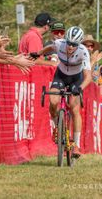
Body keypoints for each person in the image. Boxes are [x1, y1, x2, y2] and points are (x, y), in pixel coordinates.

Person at [36, 26, 92, 157]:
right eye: (69, 43)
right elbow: (49, 48)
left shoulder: (84, 52)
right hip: (60, 75)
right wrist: (38, 53)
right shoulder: (59, 43)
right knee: (53, 100)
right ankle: (57, 127)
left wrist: (80, 88)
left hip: (76, 79)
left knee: (74, 107)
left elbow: (88, 76)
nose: (71, 47)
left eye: (74, 44)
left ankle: (76, 145)